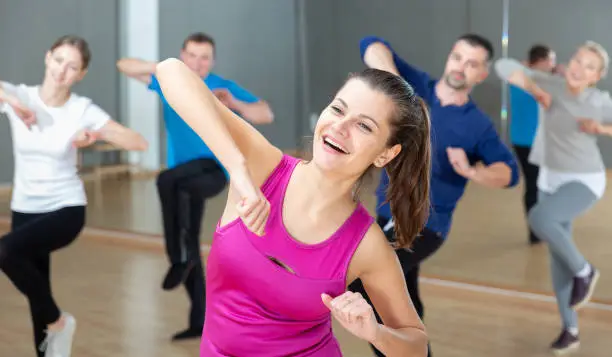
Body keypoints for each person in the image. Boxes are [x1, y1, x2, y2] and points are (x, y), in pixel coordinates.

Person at [155, 56, 431, 356]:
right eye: (338, 109)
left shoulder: (366, 245)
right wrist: (237, 167)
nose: (340, 127)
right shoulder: (262, 167)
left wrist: (376, 333)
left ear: (385, 154)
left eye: (363, 126)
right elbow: (169, 70)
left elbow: (415, 344)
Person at [348, 34, 520, 357]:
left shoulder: (477, 126)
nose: (460, 67)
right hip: (387, 216)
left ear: (482, 74)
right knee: (403, 304)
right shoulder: (417, 86)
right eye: (457, 57)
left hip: (425, 227)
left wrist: (473, 172)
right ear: (449, 56)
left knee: (366, 285)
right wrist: (397, 85)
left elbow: (510, 172)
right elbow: (370, 44)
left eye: (472, 64)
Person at [117, 32, 274, 340]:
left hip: (212, 170)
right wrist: (165, 68)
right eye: (191, 56)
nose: (198, 63)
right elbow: (124, 65)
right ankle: (197, 316)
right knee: (188, 236)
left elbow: (265, 113)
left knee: (164, 180)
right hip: (182, 178)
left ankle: (178, 257)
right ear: (182, 56)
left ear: (211, 61)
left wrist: (235, 104)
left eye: (204, 58)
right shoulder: (170, 83)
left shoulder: (220, 86)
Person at [0, 35, 148, 357]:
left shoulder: (81, 110)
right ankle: (52, 336)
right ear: (47, 57)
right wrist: (11, 103)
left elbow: (138, 142)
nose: (61, 71)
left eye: (72, 67)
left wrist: (97, 134)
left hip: (65, 209)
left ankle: (59, 322)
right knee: (38, 291)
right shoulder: (20, 95)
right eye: (58, 61)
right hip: (25, 207)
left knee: (6, 252)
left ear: (80, 75)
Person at [495, 40, 609, 355]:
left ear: (595, 76)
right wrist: (533, 85)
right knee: (558, 261)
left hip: (584, 179)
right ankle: (570, 329)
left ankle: (585, 270)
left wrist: (601, 128)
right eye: (578, 60)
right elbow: (503, 68)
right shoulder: (551, 83)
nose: (579, 68)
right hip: (549, 177)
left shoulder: (597, 100)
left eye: (589, 66)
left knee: (539, 217)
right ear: (568, 61)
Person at [509, 44, 557, 245]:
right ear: (543, 61)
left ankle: (537, 230)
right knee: (536, 186)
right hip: (532, 143)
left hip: (523, 141)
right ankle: (537, 232)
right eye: (552, 60)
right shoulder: (540, 83)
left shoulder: (517, 78)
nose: (554, 65)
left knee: (535, 185)